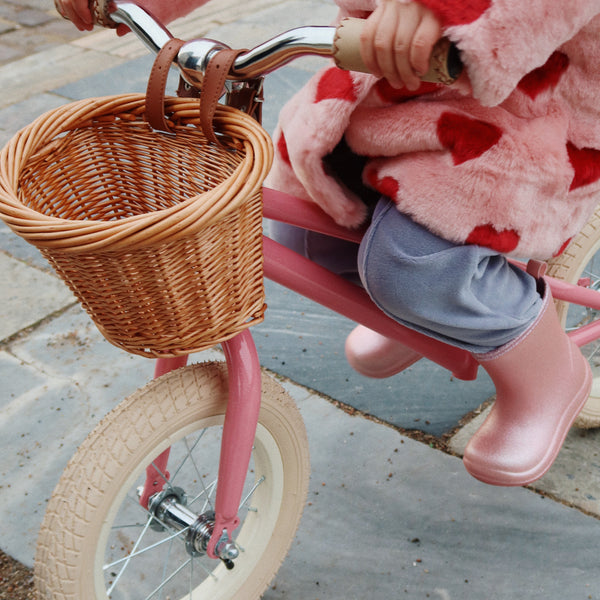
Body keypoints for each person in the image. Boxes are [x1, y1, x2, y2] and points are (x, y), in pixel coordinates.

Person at [56, 0, 599, 487]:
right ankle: (425, 315)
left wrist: (448, 10)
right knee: (307, 225)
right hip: (391, 75)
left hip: (534, 102)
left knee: (416, 263)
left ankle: (549, 373)